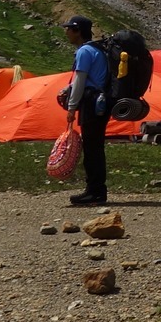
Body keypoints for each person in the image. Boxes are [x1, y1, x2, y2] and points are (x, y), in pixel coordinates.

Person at [61, 15, 110, 206]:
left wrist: (71, 107)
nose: (66, 32)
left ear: (77, 31)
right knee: (94, 147)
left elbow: (81, 81)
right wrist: (68, 89)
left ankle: (95, 191)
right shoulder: (96, 50)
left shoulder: (84, 52)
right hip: (99, 102)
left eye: (68, 29)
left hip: (91, 103)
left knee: (92, 149)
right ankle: (96, 190)